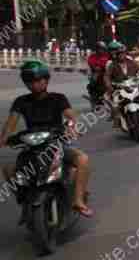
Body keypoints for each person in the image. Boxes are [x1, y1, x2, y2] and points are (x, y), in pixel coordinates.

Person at [2, 61, 93, 217]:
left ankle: (78, 200)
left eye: (39, 80)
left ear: (46, 79)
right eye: (30, 81)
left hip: (56, 144)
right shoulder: (21, 102)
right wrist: (4, 138)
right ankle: (24, 198)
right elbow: (10, 125)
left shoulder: (58, 98)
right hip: (32, 147)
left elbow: (71, 117)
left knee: (83, 160)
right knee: (8, 169)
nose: (35, 84)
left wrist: (73, 127)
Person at [103, 42, 139, 125]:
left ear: (125, 54)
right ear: (117, 55)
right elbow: (107, 76)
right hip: (119, 88)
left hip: (133, 85)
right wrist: (109, 85)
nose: (122, 56)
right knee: (112, 102)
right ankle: (117, 120)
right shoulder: (112, 65)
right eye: (120, 54)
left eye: (123, 54)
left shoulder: (132, 62)